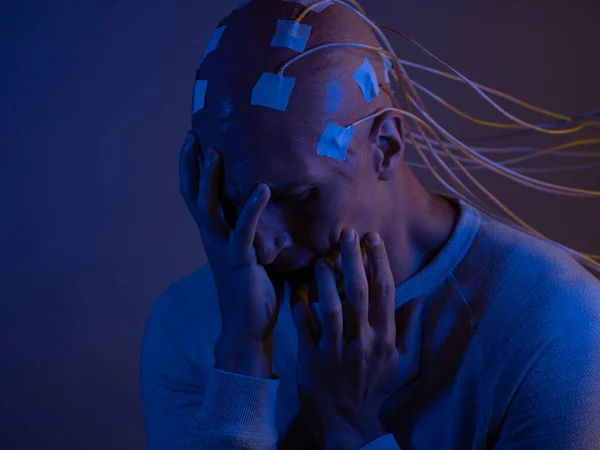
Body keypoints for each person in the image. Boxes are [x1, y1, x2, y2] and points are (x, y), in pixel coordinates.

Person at [141, 0, 600, 448]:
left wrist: (352, 431)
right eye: (236, 199)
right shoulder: (189, 324)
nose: (262, 242)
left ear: (386, 145)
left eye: (297, 196)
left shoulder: (557, 327)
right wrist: (240, 357)